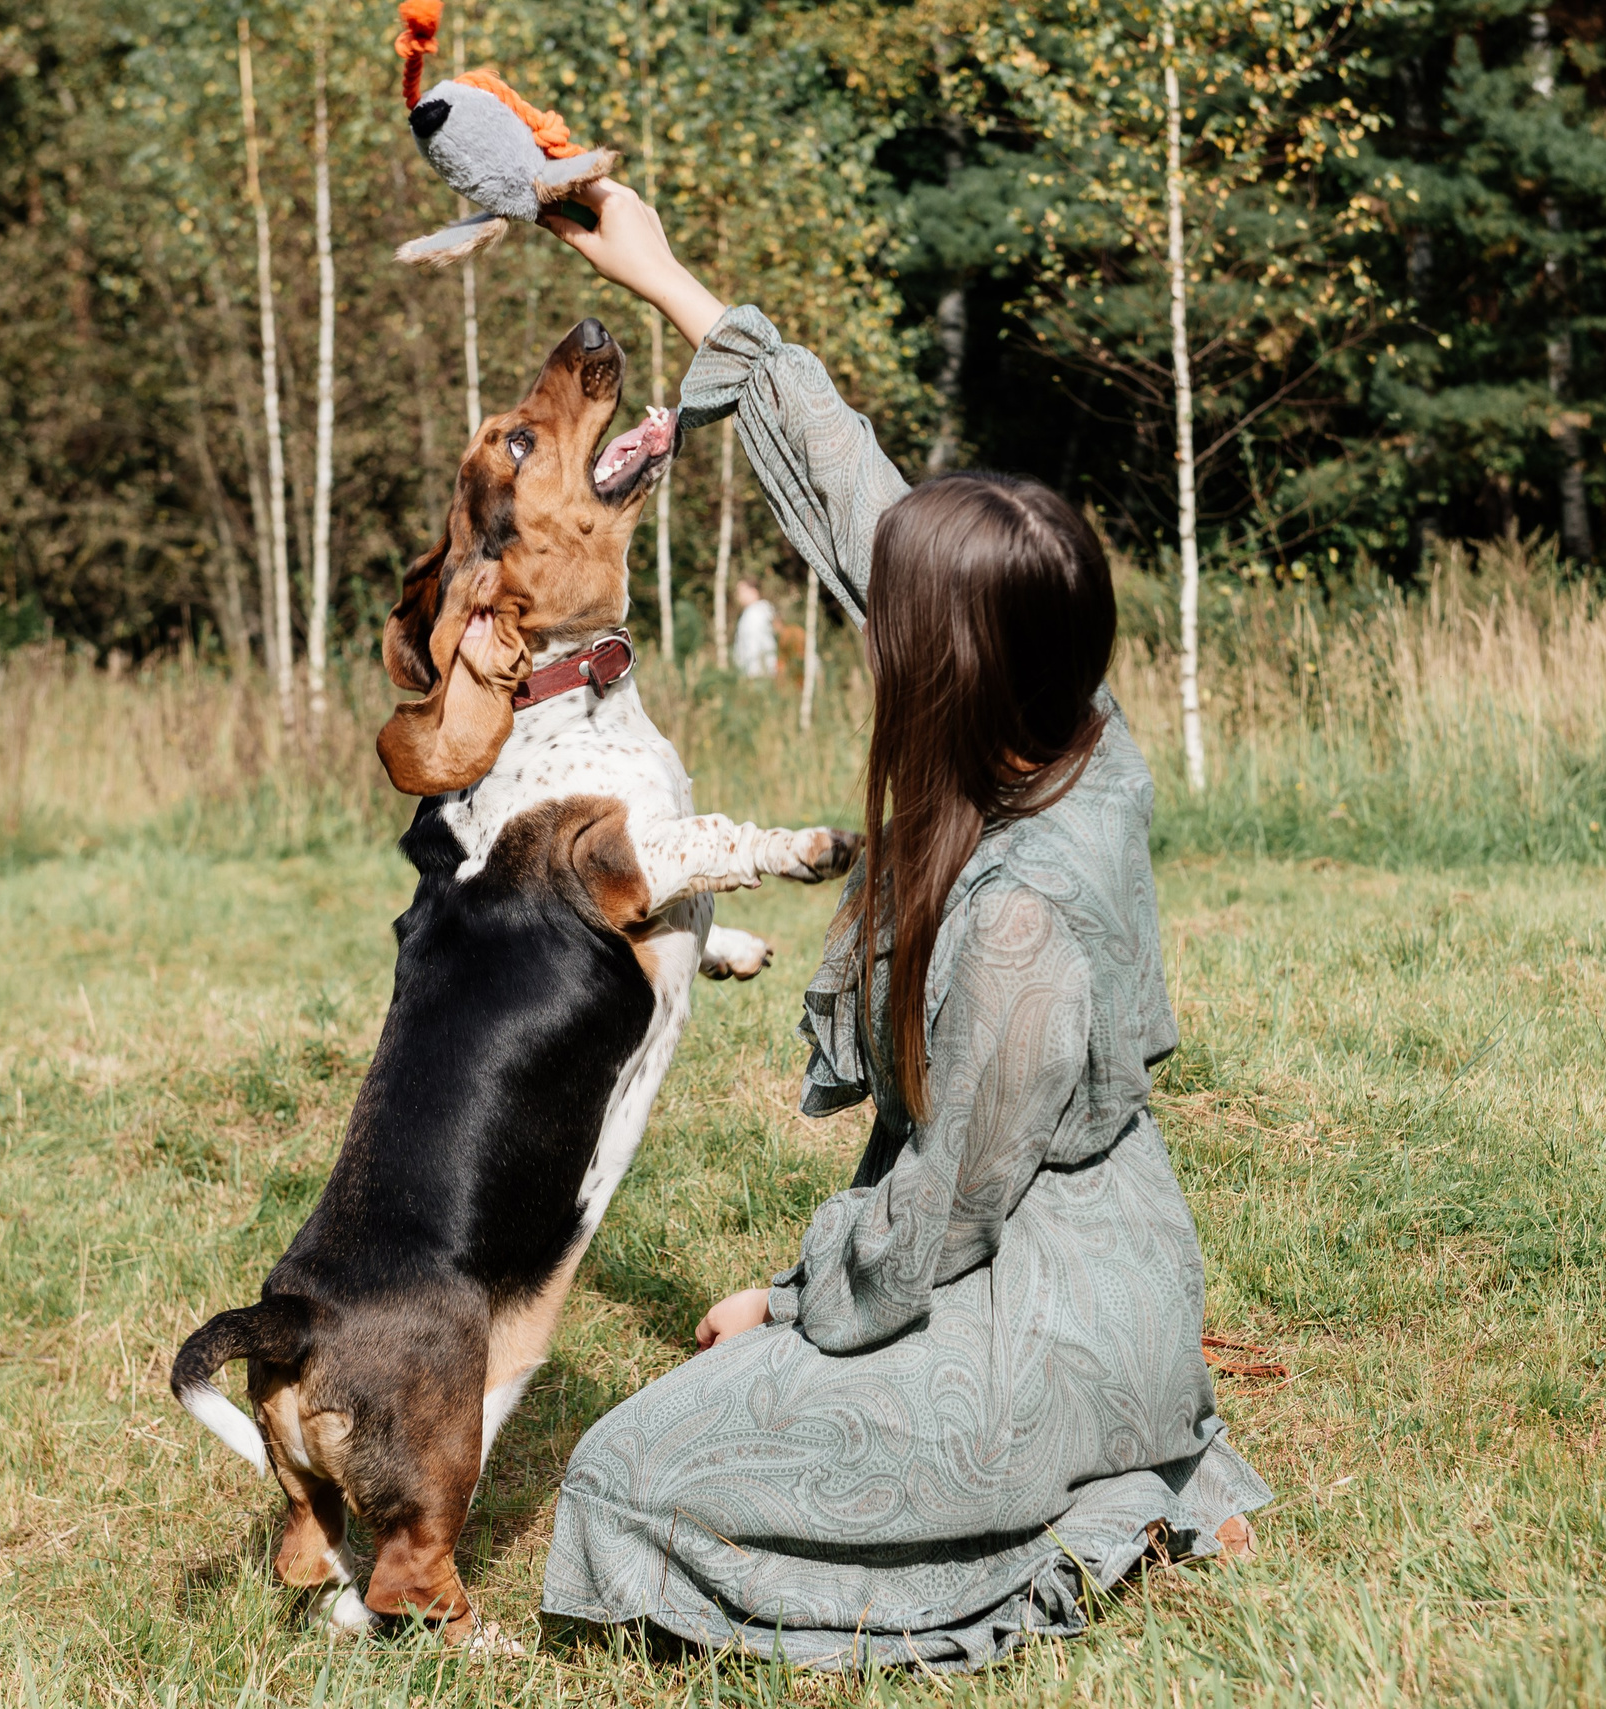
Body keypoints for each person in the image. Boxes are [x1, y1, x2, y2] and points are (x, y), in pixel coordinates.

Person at [531, 180, 1270, 1673]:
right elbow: (861, 496)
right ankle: (1138, 1465)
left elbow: (947, 1213)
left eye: (897, 629)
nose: (876, 634)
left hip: (1040, 1307)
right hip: (1108, 1258)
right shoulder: (1077, 723)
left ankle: (1096, 1495)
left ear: (940, 667)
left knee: (624, 1478)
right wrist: (668, 276)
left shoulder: (1018, 922)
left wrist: (792, 1301)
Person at [731, 577, 779, 678]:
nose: (738, 595)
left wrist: (753, 674)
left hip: (757, 674)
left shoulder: (754, 614)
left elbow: (753, 646)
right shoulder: (757, 612)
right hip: (759, 672)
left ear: (753, 591)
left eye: (741, 591)